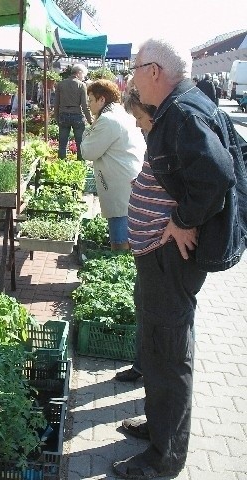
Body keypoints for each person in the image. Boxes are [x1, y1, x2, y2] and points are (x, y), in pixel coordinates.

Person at [113, 38, 247, 480]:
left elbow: (217, 173)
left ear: (155, 72)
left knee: (169, 351)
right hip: (159, 256)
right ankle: (158, 425)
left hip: (172, 257)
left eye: (135, 70)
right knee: (156, 344)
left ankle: (164, 459)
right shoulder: (180, 108)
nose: (131, 78)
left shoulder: (183, 113)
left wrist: (183, 220)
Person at [113, 88, 157, 382]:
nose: (138, 125)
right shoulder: (155, 137)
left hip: (161, 245)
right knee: (143, 305)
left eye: (140, 117)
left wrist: (181, 222)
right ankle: (142, 365)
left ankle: (151, 374)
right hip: (147, 244)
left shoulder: (174, 134)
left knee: (158, 318)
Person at [80, 79, 146, 251]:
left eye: (91, 100)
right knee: (127, 234)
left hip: (119, 184)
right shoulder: (123, 115)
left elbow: (88, 152)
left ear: (102, 100)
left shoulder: (107, 120)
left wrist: (87, 130)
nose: (89, 105)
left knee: (120, 243)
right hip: (128, 179)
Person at [53, 63, 92, 160]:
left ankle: (61, 163)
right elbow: (84, 105)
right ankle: (80, 165)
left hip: (63, 115)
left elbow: (56, 103)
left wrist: (57, 117)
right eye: (83, 74)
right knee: (80, 143)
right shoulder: (81, 85)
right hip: (77, 116)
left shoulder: (60, 84)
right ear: (79, 73)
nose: (84, 77)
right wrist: (90, 120)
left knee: (62, 143)